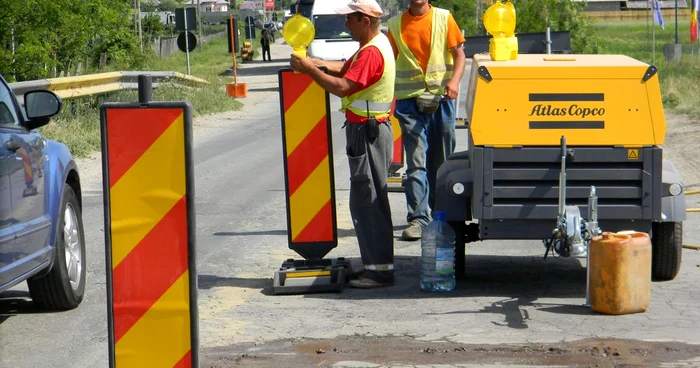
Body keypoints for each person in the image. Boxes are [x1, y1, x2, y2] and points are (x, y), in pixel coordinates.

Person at [290, 0, 396, 288]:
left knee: (369, 200)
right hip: (369, 130)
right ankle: (376, 266)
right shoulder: (374, 45)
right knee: (367, 197)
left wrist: (310, 71)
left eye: (350, 19)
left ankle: (379, 272)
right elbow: (345, 69)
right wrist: (315, 63)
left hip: (368, 133)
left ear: (365, 20)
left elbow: (343, 87)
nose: (346, 25)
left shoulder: (372, 52)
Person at [387, 0, 466, 240]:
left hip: (441, 99)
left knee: (441, 162)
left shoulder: (443, 18)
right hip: (409, 104)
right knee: (416, 162)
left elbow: (459, 55)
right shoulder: (395, 25)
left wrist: (453, 82)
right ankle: (419, 218)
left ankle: (441, 214)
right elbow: (388, 63)